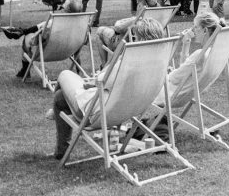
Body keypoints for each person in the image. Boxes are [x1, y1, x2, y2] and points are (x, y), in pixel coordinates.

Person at [48, 16, 165, 159]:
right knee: (60, 98)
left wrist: (116, 59)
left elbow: (98, 81)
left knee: (65, 74)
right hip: (130, 110)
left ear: (138, 38)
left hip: (98, 113)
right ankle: (60, 146)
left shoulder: (129, 62)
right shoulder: (159, 62)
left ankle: (56, 117)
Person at [3, 0, 85, 76]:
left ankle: (24, 70)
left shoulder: (55, 22)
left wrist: (23, 32)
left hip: (50, 51)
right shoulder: (82, 25)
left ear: (66, 9)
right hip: (70, 50)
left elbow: (36, 28)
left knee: (28, 37)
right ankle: (79, 72)